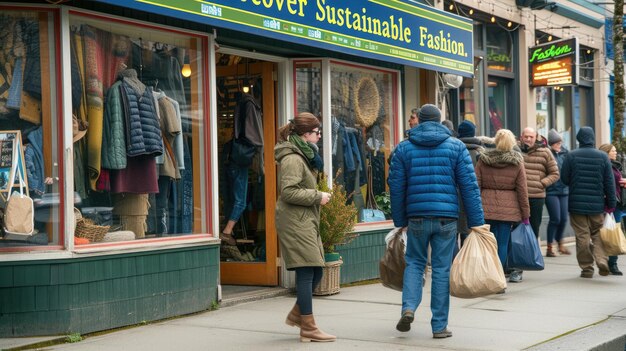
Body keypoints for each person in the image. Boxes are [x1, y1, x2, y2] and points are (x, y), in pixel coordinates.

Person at [388, 104, 484, 338]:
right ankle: (439, 326)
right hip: (446, 218)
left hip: (417, 216)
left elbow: (396, 187)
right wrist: (477, 221)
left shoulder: (403, 149)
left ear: (419, 120)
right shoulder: (456, 147)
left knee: (415, 263)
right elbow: (469, 187)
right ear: (440, 120)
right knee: (441, 269)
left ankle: (408, 307)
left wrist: (400, 219)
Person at [274, 112, 335, 343]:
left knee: (317, 269)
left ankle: (299, 313)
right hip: (294, 220)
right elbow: (288, 191)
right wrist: (317, 195)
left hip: (304, 218)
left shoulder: (304, 155)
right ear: (305, 134)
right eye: (317, 132)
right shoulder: (292, 158)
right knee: (307, 270)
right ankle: (308, 326)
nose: (319, 136)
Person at [475, 129, 530, 279]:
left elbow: (476, 186)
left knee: (488, 243)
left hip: (486, 207)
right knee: (503, 243)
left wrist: (474, 208)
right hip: (508, 210)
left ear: (496, 141)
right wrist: (525, 215)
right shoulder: (517, 162)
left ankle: (488, 274)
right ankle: (498, 277)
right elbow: (522, 190)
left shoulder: (483, 159)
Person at [560, 127, 615, 278]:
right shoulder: (603, 157)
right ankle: (602, 260)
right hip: (597, 204)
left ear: (579, 139)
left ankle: (587, 268)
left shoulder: (571, 155)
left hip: (576, 204)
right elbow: (609, 182)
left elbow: (564, 179)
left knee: (582, 235)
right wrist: (611, 203)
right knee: (597, 234)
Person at [514, 127, 559, 283]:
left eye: (531, 136)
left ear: (536, 137)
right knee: (516, 230)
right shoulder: (515, 149)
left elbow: (555, 173)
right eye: (525, 136)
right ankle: (516, 265)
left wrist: (542, 183)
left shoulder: (545, 152)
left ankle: (529, 258)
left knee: (533, 229)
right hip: (517, 197)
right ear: (521, 136)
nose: (528, 139)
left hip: (536, 197)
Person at [598, 143, 624, 276]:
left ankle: (612, 263)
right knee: (605, 234)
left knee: (613, 233)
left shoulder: (614, 165)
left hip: (616, 204)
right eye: (613, 151)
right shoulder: (603, 165)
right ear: (606, 152)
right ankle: (605, 261)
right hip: (607, 205)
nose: (615, 153)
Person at [545, 129, 570, 257]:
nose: (558, 145)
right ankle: (550, 247)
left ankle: (560, 243)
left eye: (559, 142)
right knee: (555, 218)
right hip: (551, 191)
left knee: (564, 219)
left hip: (564, 190)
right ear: (550, 143)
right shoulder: (547, 153)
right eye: (555, 143)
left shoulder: (566, 153)